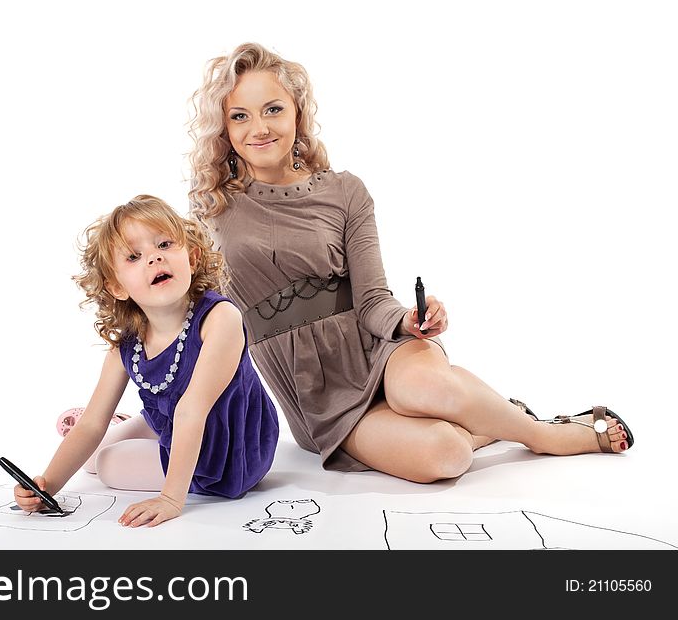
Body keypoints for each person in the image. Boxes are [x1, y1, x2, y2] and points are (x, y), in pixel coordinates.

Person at [185, 42, 633, 483]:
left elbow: (373, 298)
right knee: (447, 455)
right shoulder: (213, 210)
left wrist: (410, 321)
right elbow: (195, 319)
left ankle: (543, 435)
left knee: (426, 387)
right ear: (223, 129)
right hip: (314, 391)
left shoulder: (344, 191)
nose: (259, 128)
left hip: (381, 348)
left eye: (272, 109)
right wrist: (155, 400)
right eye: (239, 116)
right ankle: (499, 417)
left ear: (297, 112)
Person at [13, 194, 279, 526]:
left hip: (224, 452)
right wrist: (46, 485)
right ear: (117, 287)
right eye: (135, 257)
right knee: (92, 455)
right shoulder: (128, 343)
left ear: (192, 258)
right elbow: (91, 424)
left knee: (106, 464)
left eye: (165, 245)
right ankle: (128, 424)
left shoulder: (220, 318)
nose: (154, 259)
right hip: (174, 421)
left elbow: (192, 410)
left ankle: (130, 428)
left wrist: (171, 498)